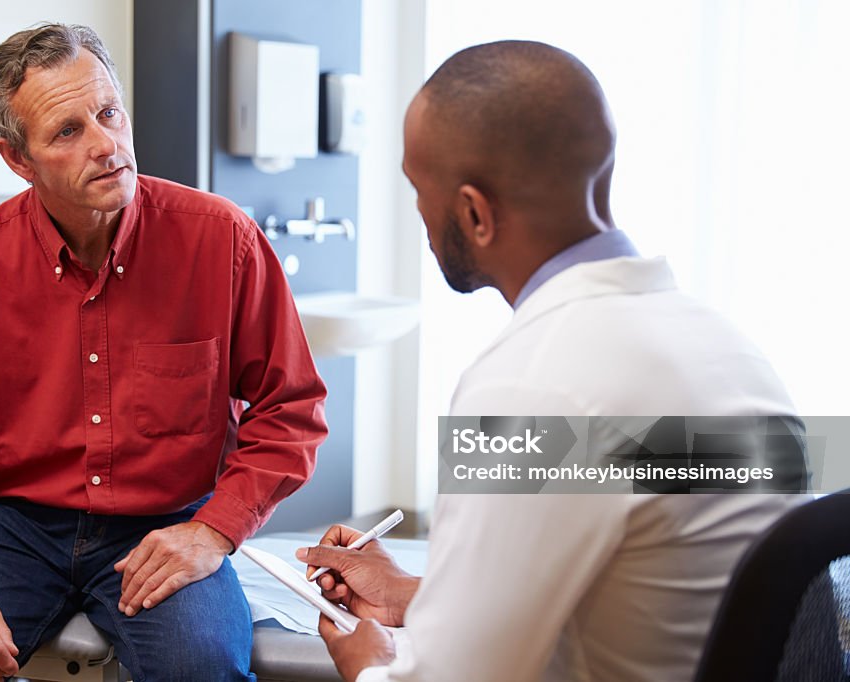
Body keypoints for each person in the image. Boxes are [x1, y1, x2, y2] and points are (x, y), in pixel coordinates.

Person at [296, 40, 802, 681]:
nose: (419, 214)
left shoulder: (527, 391)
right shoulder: (726, 348)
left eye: (418, 189)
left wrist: (367, 668)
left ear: (475, 213)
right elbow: (654, 589)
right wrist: (409, 595)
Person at [0, 23, 327, 682]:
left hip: (167, 523)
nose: (107, 145)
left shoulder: (223, 240)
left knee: (201, 667)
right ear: (17, 160)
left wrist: (215, 530)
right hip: (12, 530)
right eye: (67, 131)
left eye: (109, 113)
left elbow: (293, 407)